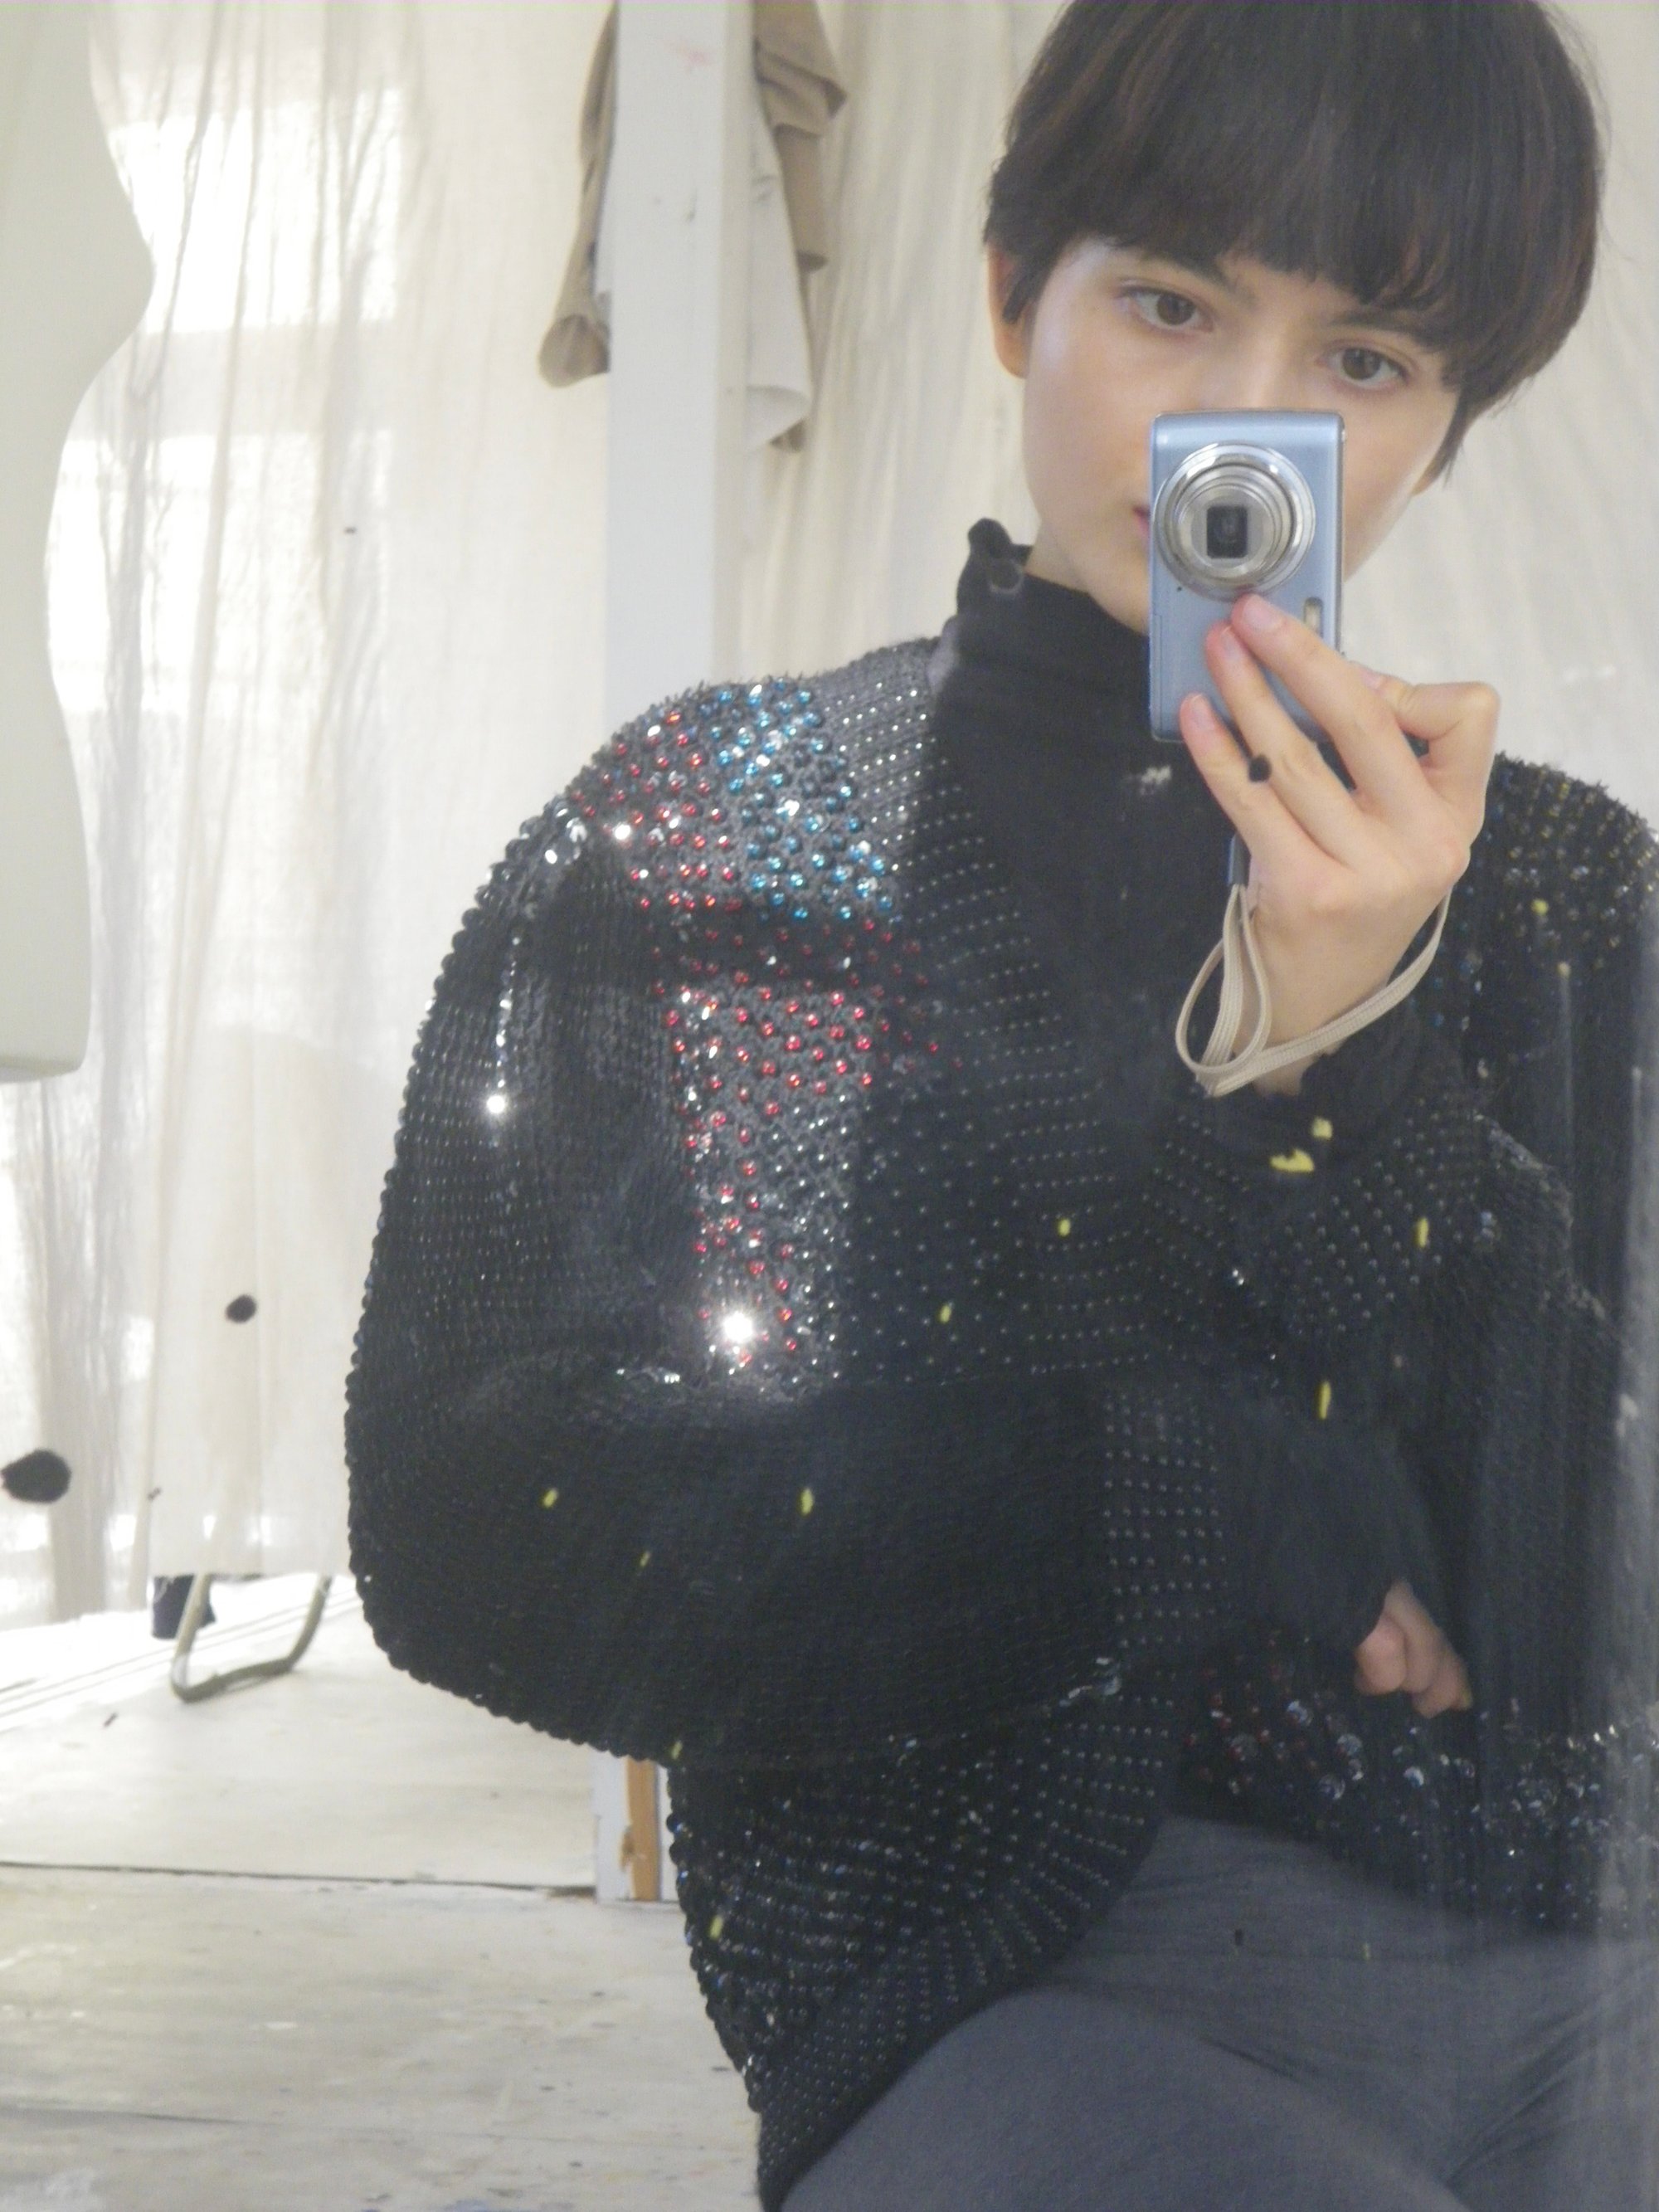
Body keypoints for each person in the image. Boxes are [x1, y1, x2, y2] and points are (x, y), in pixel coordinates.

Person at [344, 4, 1659, 2205]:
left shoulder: (1554, 891)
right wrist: (1189, 1497)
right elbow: (472, 1527)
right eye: (1172, 305)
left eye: (1364, 358)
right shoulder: (727, 837)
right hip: (983, 1993)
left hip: (1567, 1967)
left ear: (1450, 427)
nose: (1240, 424)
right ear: (1008, 293)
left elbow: (1602, 1584)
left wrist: (1346, 1066)